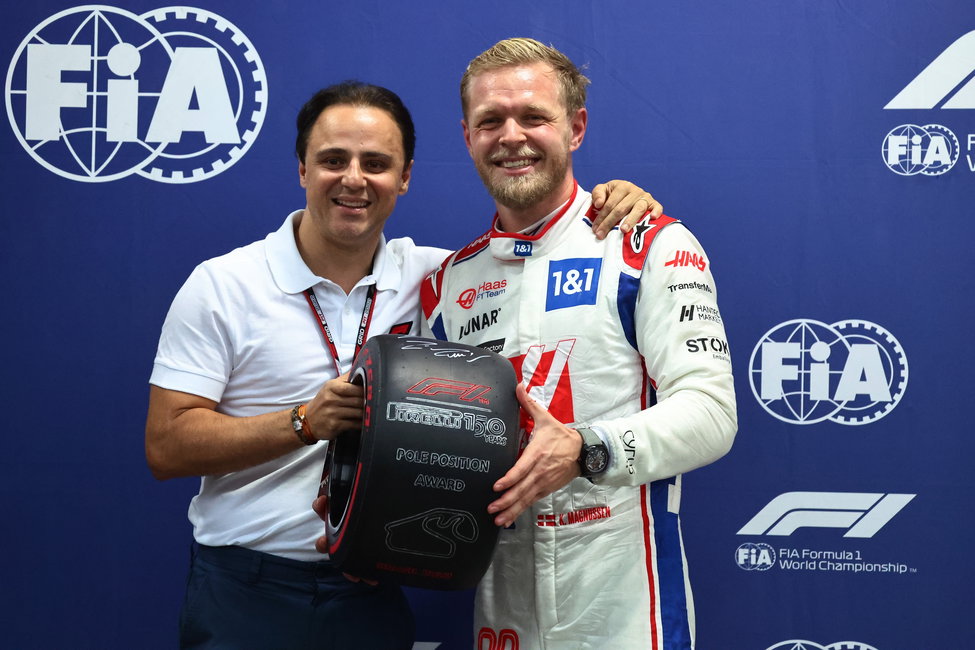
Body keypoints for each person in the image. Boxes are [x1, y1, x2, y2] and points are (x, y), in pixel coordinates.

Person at [145, 79, 662, 649]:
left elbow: (534, 256)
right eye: (333, 160)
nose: (354, 180)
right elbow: (166, 447)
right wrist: (303, 423)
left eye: (376, 163)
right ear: (302, 170)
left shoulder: (439, 281)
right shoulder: (224, 285)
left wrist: (616, 201)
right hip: (248, 588)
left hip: (372, 583)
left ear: (405, 176)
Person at [419, 38, 737, 648]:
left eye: (534, 116)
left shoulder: (648, 245)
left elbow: (713, 413)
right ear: (467, 137)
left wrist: (586, 449)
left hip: (623, 600)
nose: (512, 135)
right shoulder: (446, 285)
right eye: (491, 121)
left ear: (577, 128)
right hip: (501, 602)